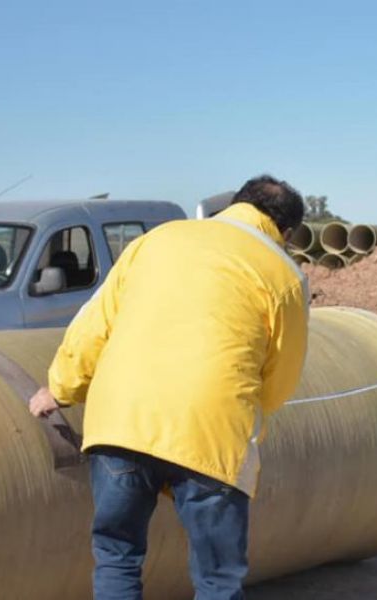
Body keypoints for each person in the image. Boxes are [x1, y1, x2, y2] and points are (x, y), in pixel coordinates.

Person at [28, 175, 310, 600]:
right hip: (210, 432)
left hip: (120, 420)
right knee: (217, 577)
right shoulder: (284, 273)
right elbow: (280, 378)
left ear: (234, 204)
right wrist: (250, 413)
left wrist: (60, 389)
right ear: (285, 231)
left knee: (117, 555)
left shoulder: (157, 240)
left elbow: (94, 325)